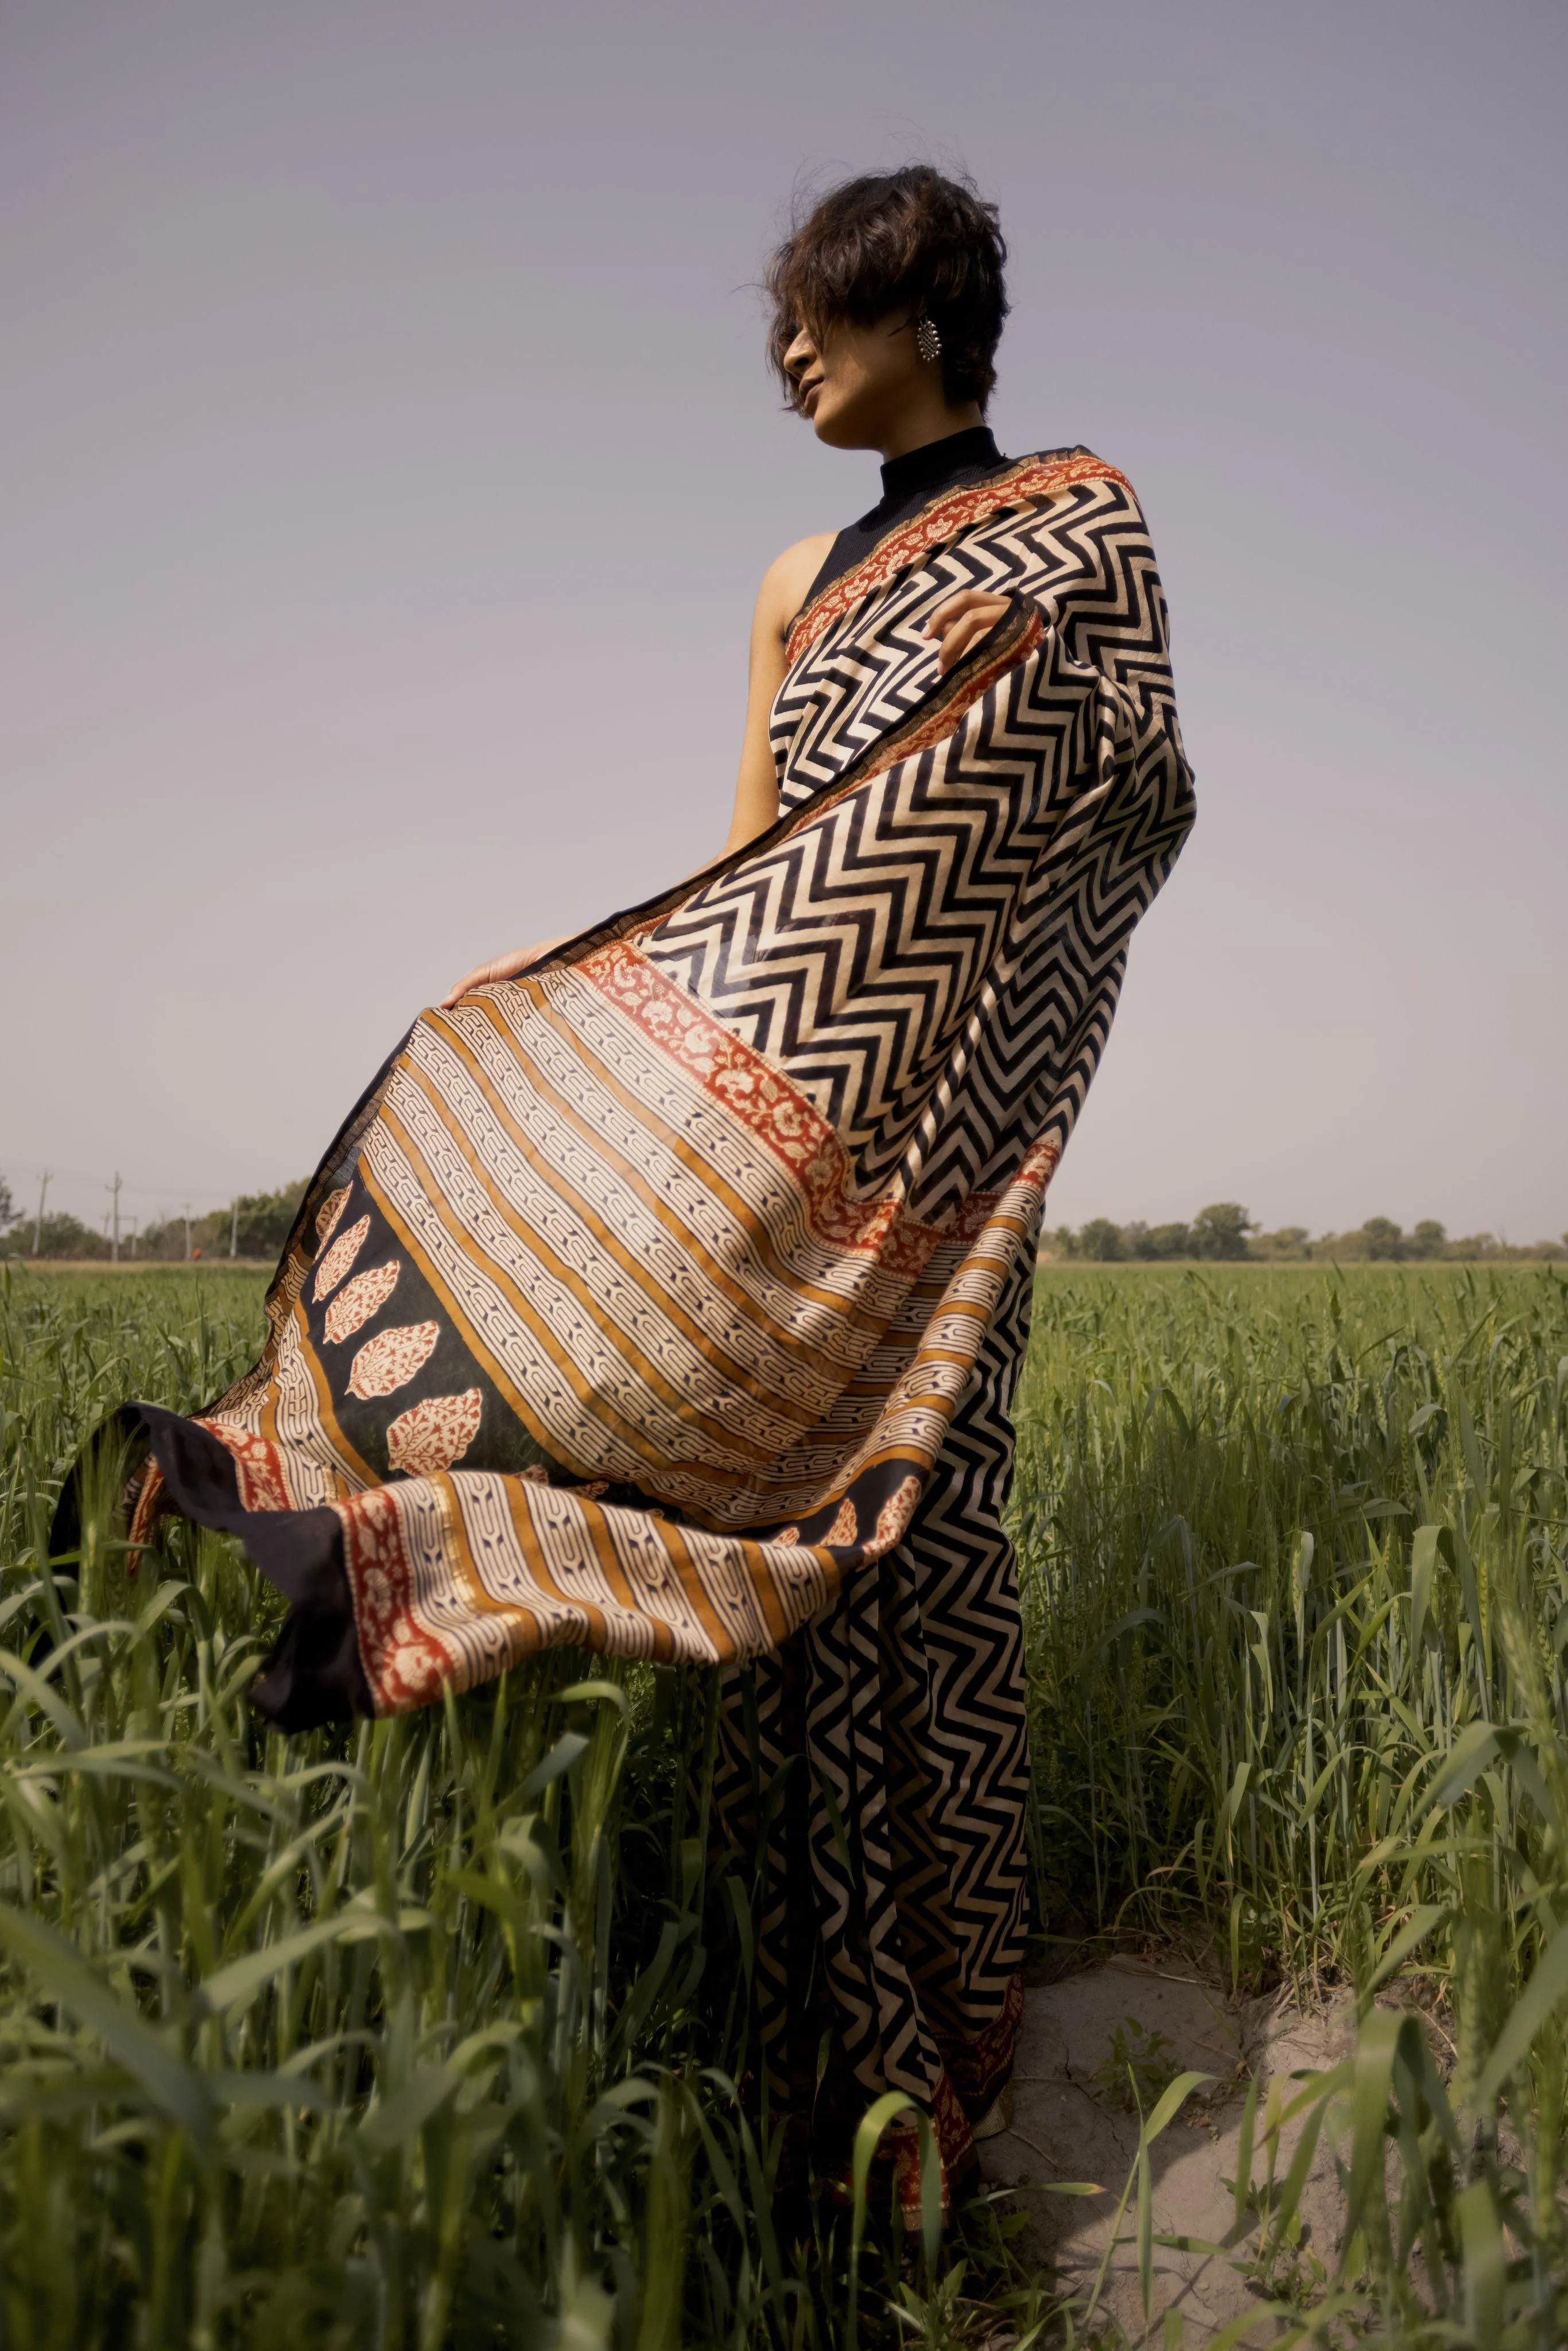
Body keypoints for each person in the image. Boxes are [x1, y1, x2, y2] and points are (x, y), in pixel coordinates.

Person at [107, 165, 1195, 2213]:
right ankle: (807, 2072)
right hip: (771, 1098)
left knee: (924, 1530)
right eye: (778, 316)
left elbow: (1114, 801)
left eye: (824, 307)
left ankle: (944, 2032)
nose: (786, 344)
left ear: (930, 312)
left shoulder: (1077, 529)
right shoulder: (797, 573)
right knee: (721, 1473)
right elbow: (758, 858)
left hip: (938, 1145)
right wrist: (573, 1008)